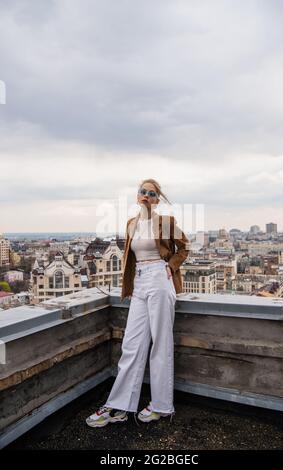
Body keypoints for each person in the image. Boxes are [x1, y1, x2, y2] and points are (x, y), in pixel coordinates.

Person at [86, 178, 189, 428]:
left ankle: (162, 406)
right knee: (132, 344)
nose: (145, 195)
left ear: (157, 199)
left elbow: (183, 248)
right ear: (137, 196)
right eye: (142, 192)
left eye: (151, 193)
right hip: (141, 283)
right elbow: (130, 259)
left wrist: (170, 267)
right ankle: (120, 406)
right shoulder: (131, 224)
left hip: (160, 279)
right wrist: (130, 285)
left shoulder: (166, 222)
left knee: (160, 343)